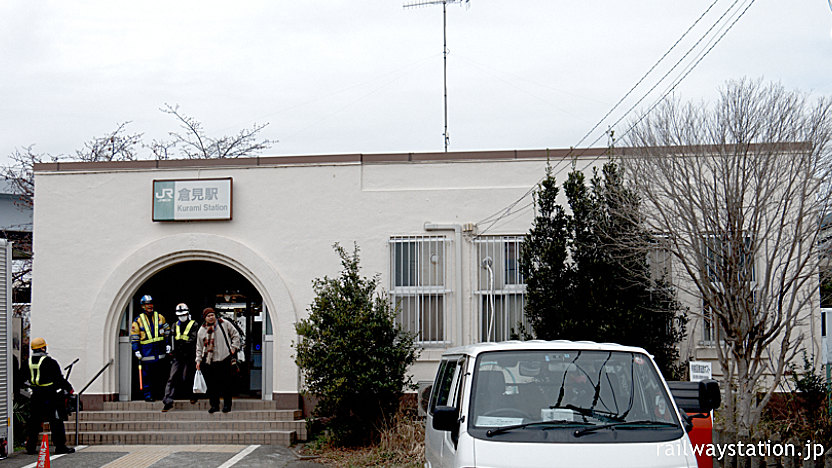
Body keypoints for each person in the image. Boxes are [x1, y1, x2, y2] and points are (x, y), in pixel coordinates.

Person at [25, 337, 75, 455]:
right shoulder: (50, 362)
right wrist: (69, 389)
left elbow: (22, 378)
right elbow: (59, 379)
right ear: (43, 348)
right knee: (56, 421)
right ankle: (60, 447)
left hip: (36, 396)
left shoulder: (27, 362)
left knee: (34, 422)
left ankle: (31, 447)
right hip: (51, 396)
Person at [196, 307, 240, 414]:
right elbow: (199, 347)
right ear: (205, 318)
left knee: (226, 384)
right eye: (208, 316)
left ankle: (227, 405)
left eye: (212, 315)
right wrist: (198, 360)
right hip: (210, 361)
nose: (211, 317)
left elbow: (235, 335)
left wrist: (233, 348)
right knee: (212, 385)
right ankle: (214, 405)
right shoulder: (202, 331)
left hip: (225, 358)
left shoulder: (224, 324)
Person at [130, 294, 170, 402]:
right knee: (147, 376)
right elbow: (134, 337)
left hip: (160, 353)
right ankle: (148, 395)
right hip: (146, 354)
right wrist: (136, 350)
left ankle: (161, 394)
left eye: (151, 304)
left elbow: (167, 331)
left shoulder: (160, 317)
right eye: (147, 304)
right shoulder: (138, 320)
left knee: (161, 376)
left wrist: (168, 344)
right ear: (142, 306)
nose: (149, 306)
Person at [161, 303, 198, 412]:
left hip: (189, 354)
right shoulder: (174, 325)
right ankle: (167, 401)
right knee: (172, 378)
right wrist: (170, 347)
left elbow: (193, 338)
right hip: (177, 355)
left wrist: (184, 344)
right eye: (180, 315)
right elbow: (171, 337)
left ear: (188, 313)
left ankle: (192, 395)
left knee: (187, 376)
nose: (182, 316)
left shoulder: (193, 324)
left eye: (184, 314)